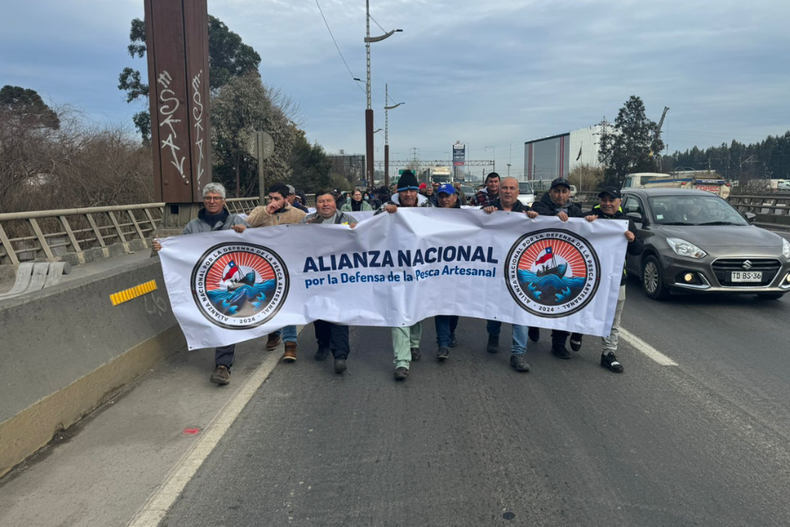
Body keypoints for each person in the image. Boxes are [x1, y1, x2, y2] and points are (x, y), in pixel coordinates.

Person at [152, 183, 249, 386]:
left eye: (216, 198)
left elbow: (252, 244)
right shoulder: (192, 226)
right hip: (206, 281)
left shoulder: (235, 221)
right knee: (210, 318)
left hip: (231, 282)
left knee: (226, 320)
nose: (211, 201)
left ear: (224, 201)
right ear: (203, 201)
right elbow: (182, 251)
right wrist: (164, 247)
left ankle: (223, 367)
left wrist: (244, 232)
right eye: (208, 198)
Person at [376, 170, 432, 380]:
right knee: (399, 310)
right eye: (404, 191)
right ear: (397, 192)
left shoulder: (428, 208)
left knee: (417, 307)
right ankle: (402, 361)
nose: (408, 194)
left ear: (417, 191)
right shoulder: (387, 207)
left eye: (412, 190)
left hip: (421, 268)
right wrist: (385, 214)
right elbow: (371, 227)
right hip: (396, 268)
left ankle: (414, 344)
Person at [481, 177, 538, 372]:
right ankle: (493, 334)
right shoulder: (488, 210)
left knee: (521, 311)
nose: (507, 191)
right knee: (494, 308)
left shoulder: (527, 213)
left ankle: (518, 353)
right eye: (504, 187)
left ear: (517, 192)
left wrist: (534, 218)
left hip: (520, 271)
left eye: (512, 188)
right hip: (494, 269)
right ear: (499, 190)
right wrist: (484, 215)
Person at [584, 187, 643, 373]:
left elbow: (637, 250)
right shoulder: (589, 218)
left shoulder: (626, 222)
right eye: (604, 200)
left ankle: (609, 353)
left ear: (619, 201)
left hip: (616, 279)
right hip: (588, 279)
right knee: (582, 308)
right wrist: (587, 222)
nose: (607, 204)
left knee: (613, 318)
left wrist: (632, 240)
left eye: (612, 200)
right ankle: (576, 332)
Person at [247, 182, 306, 361]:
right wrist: (267, 212)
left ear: (287, 199)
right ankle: (273, 333)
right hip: (265, 267)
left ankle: (290, 343)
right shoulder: (259, 211)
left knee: (288, 303)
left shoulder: (299, 215)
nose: (272, 201)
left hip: (289, 266)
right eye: (270, 198)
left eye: (276, 198)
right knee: (269, 301)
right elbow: (246, 227)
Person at [300, 190, 358, 373]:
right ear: (315, 205)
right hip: (316, 275)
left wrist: (356, 231)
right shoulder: (307, 221)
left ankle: (340, 354)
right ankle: (323, 343)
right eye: (321, 201)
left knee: (340, 314)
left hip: (341, 276)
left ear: (335, 203)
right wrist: (303, 231)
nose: (325, 204)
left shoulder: (347, 219)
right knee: (320, 313)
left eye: (329, 201)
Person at [530, 177, 585, 359]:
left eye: (564, 191)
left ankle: (559, 344)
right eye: (557, 191)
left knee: (563, 301)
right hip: (539, 256)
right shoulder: (540, 206)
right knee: (535, 296)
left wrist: (591, 220)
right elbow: (537, 214)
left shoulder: (576, 211)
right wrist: (553, 219)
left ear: (569, 193)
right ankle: (532, 323)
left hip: (564, 258)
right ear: (550, 192)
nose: (560, 195)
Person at [432, 183, 463, 361]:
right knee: (441, 305)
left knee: (454, 305)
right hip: (438, 269)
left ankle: (451, 332)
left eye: (447, 196)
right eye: (441, 196)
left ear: (455, 198)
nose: (444, 199)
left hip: (459, 269)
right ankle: (442, 343)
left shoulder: (466, 216)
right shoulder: (430, 215)